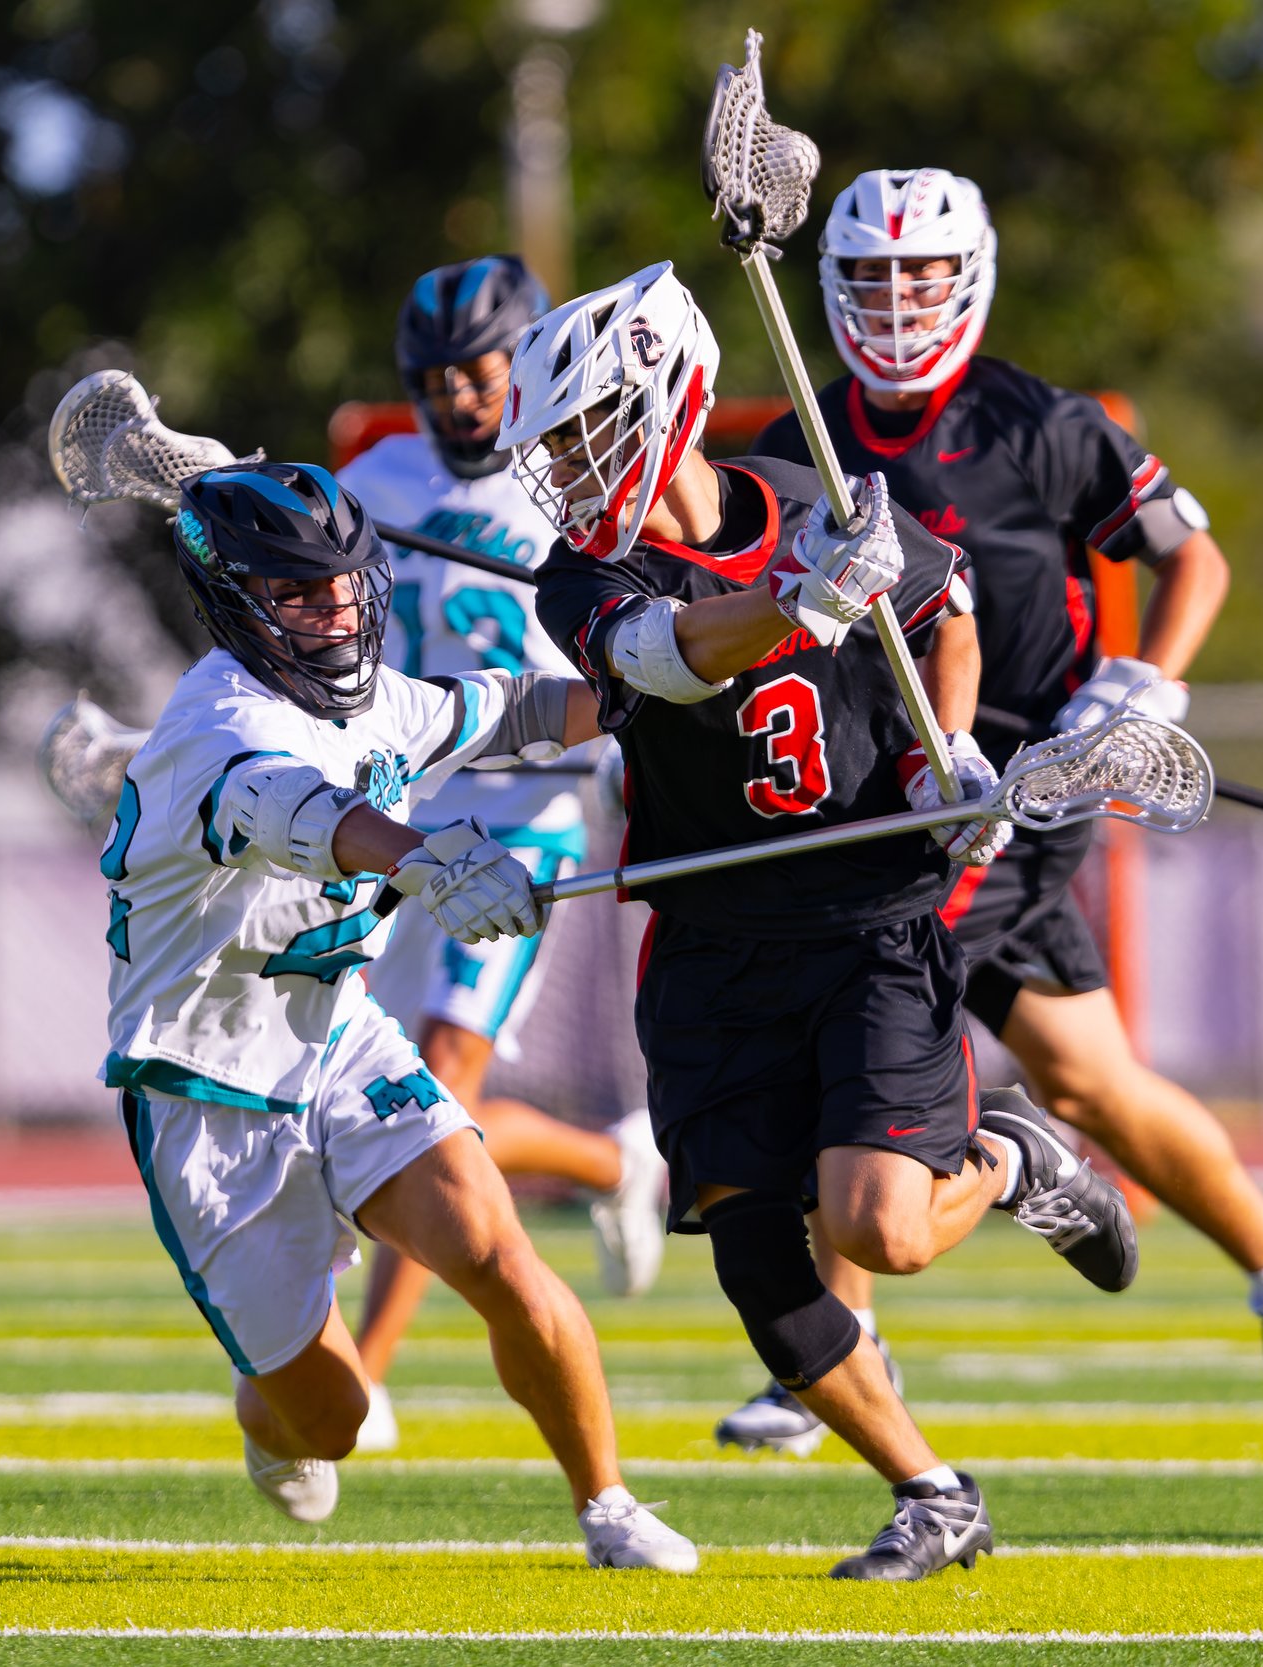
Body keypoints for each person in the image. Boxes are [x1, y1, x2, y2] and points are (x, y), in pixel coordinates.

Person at [503, 260, 1140, 1581]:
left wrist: (947, 747)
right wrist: (797, 600)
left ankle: (1013, 1157)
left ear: (671, 397)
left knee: (878, 1230)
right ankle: (930, 1490)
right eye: (553, 443)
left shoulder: (817, 503)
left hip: (866, 915)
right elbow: (656, 655)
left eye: (587, 428)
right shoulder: (584, 570)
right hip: (710, 936)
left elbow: (944, 610)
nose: (567, 466)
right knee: (757, 1263)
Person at [741, 168, 1263, 1448]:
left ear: (967, 277)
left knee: (863, 989)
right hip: (883, 787)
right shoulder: (806, 435)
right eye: (871, 276)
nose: (898, 300)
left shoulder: (1039, 422)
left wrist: (1150, 679)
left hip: (1024, 783)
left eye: (920, 275)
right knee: (1088, 1077)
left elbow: (1193, 551)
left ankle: (841, 1348)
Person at [96, 455, 693, 1569]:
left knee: (491, 1243)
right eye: (296, 591)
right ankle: (263, 1408)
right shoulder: (218, 723)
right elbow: (308, 811)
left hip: (336, 1035)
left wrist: (659, 678)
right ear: (234, 604)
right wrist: (432, 861)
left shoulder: (375, 692)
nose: (334, 609)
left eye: (341, 583)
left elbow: (516, 705)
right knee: (333, 1419)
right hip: (209, 1092)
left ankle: (606, 1503)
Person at [340, 256, 667, 1454]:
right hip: (402, 810)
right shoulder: (374, 482)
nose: (461, 398)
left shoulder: (569, 480)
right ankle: (604, 1160)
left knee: (434, 1084)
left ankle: (364, 1373)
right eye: (435, 379)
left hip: (530, 801)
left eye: (480, 372)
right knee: (364, 1077)